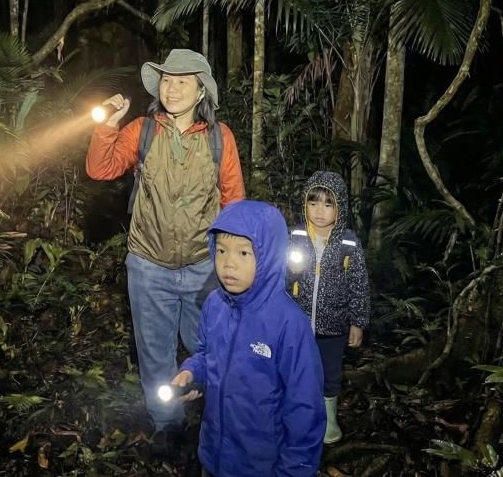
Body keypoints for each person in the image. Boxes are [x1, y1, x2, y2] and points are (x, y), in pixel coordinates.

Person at [85, 49, 245, 445]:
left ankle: (217, 415)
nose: (172, 89)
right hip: (148, 266)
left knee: (208, 348)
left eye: (183, 82)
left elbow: (235, 203)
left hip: (202, 266)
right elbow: (99, 169)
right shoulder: (143, 131)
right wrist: (107, 125)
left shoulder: (219, 138)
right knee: (155, 353)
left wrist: (234, 262)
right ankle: (167, 423)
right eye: (167, 81)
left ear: (200, 91)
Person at [171, 200, 326, 477]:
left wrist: (294, 471)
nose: (228, 263)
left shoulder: (289, 324)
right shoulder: (214, 306)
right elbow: (208, 356)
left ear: (268, 256)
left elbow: (305, 408)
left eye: (244, 253)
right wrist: (193, 372)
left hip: (262, 466)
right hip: (214, 455)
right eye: (220, 250)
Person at [287, 170, 370, 444]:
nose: (319, 211)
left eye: (327, 204)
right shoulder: (295, 236)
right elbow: (282, 277)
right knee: (296, 369)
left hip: (333, 325)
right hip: (298, 323)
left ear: (340, 207)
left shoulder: (348, 244)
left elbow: (359, 285)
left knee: (329, 372)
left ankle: (329, 417)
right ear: (304, 205)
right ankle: (296, 415)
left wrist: (357, 322)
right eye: (313, 203)